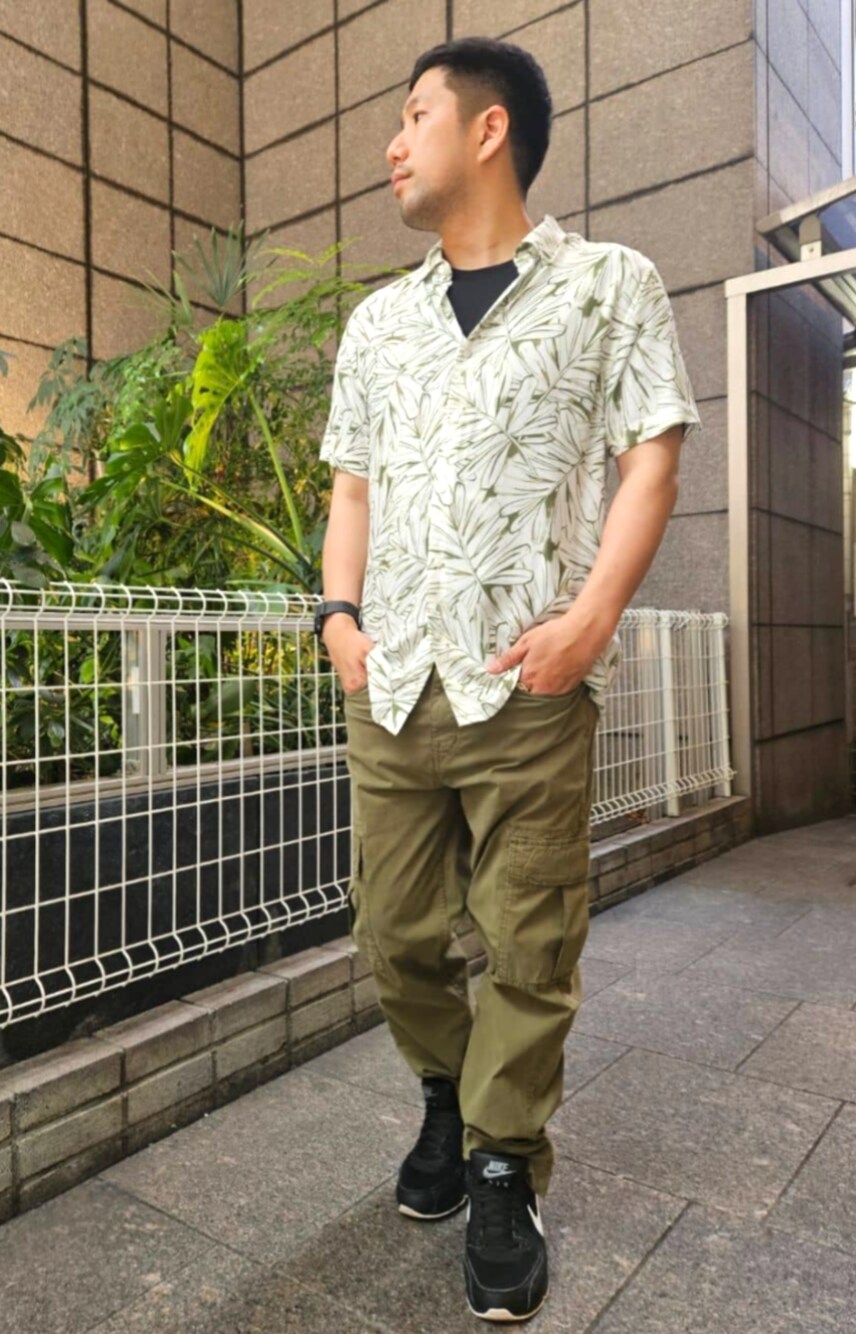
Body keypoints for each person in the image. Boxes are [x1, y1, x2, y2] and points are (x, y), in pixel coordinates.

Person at [315, 36, 700, 1325]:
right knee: (395, 933)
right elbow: (352, 487)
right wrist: (338, 616)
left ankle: (500, 1166)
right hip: (392, 684)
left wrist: (593, 619)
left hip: (527, 685)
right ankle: (446, 1096)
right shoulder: (380, 322)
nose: (392, 143)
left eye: (413, 115)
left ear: (487, 131)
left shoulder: (607, 285)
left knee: (532, 942)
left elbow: (651, 458)